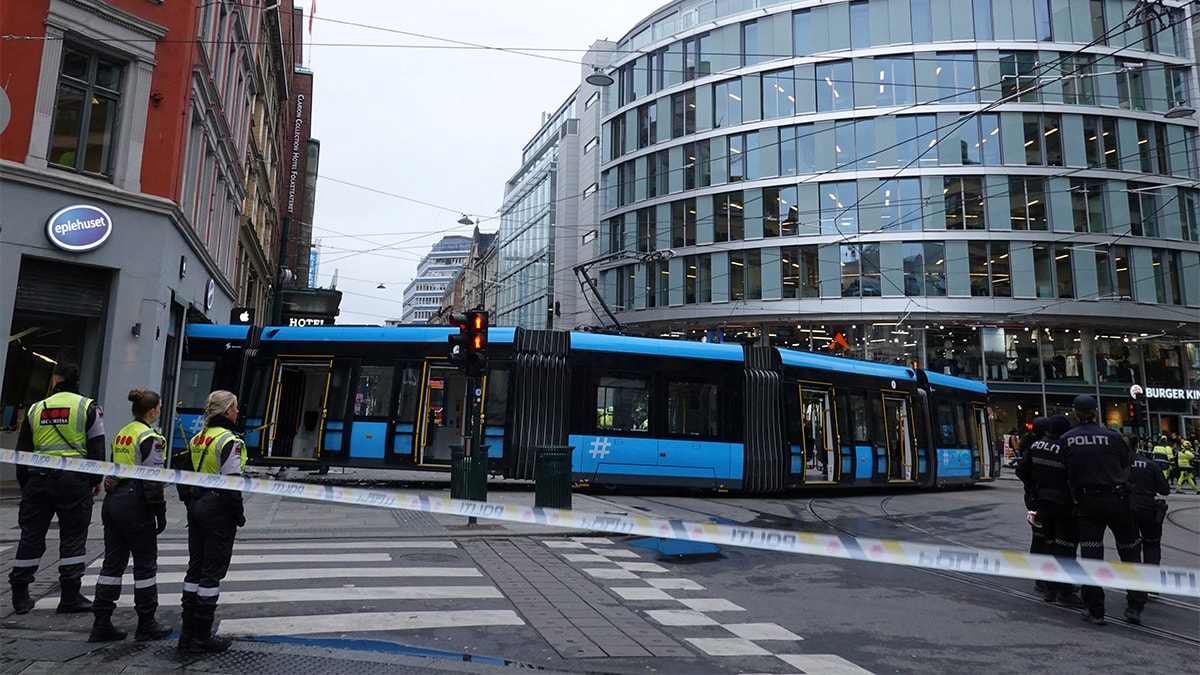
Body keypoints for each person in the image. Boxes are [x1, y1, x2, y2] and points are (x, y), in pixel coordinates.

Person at [8, 363, 105, 615]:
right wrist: (95, 480)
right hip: (73, 483)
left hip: (37, 481)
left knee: (31, 536)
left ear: (54, 380)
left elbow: (22, 453)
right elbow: (97, 448)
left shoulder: (35, 409)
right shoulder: (88, 407)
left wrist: (25, 485)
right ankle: (70, 596)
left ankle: (20, 595)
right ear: (78, 382)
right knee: (73, 537)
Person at [88, 390, 173, 643]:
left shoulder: (123, 432)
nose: (160, 410)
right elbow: (152, 480)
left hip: (114, 500)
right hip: (136, 502)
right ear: (152, 411)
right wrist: (160, 511)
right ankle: (146, 623)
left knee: (112, 566)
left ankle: (101, 622)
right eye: (159, 406)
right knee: (145, 565)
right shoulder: (151, 437)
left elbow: (114, 468)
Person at [1061, 394, 1145, 626]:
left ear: (1075, 412)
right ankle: (1136, 605)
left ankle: (1095, 610)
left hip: (1088, 503)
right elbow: (1125, 467)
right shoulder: (1114, 437)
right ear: (1096, 411)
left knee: (1091, 557)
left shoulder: (1067, 439)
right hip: (1117, 500)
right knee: (1129, 552)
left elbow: (1065, 473)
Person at [178, 390, 245, 653]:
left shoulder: (198, 437)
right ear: (227, 410)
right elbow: (232, 483)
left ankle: (187, 633)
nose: (237, 412)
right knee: (212, 571)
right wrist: (238, 514)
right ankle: (203, 635)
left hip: (198, 504)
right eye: (235, 407)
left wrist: (190, 502)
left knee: (195, 567)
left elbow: (184, 474)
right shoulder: (230, 440)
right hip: (218, 507)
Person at [1016, 414, 1083, 607]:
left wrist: (1034, 487)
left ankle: (1050, 587)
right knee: (1065, 547)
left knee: (1048, 543)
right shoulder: (1066, 447)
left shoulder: (1036, 446)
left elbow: (1021, 470)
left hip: (1042, 501)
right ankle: (1064, 591)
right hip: (1063, 503)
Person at [1014, 418, 1050, 594]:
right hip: (1041, 497)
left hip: (1034, 497)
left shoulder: (1030, 447)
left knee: (1039, 537)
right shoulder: (1040, 447)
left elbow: (1021, 471)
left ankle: (1042, 576)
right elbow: (1022, 470)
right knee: (1043, 538)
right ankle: (1043, 578)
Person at [1127, 435, 1170, 567]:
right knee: (1152, 544)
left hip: (1125, 509)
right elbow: (1164, 489)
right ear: (1137, 446)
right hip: (1147, 507)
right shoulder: (1149, 464)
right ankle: (1151, 580)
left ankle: (1134, 582)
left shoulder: (1117, 465)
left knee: (1128, 546)